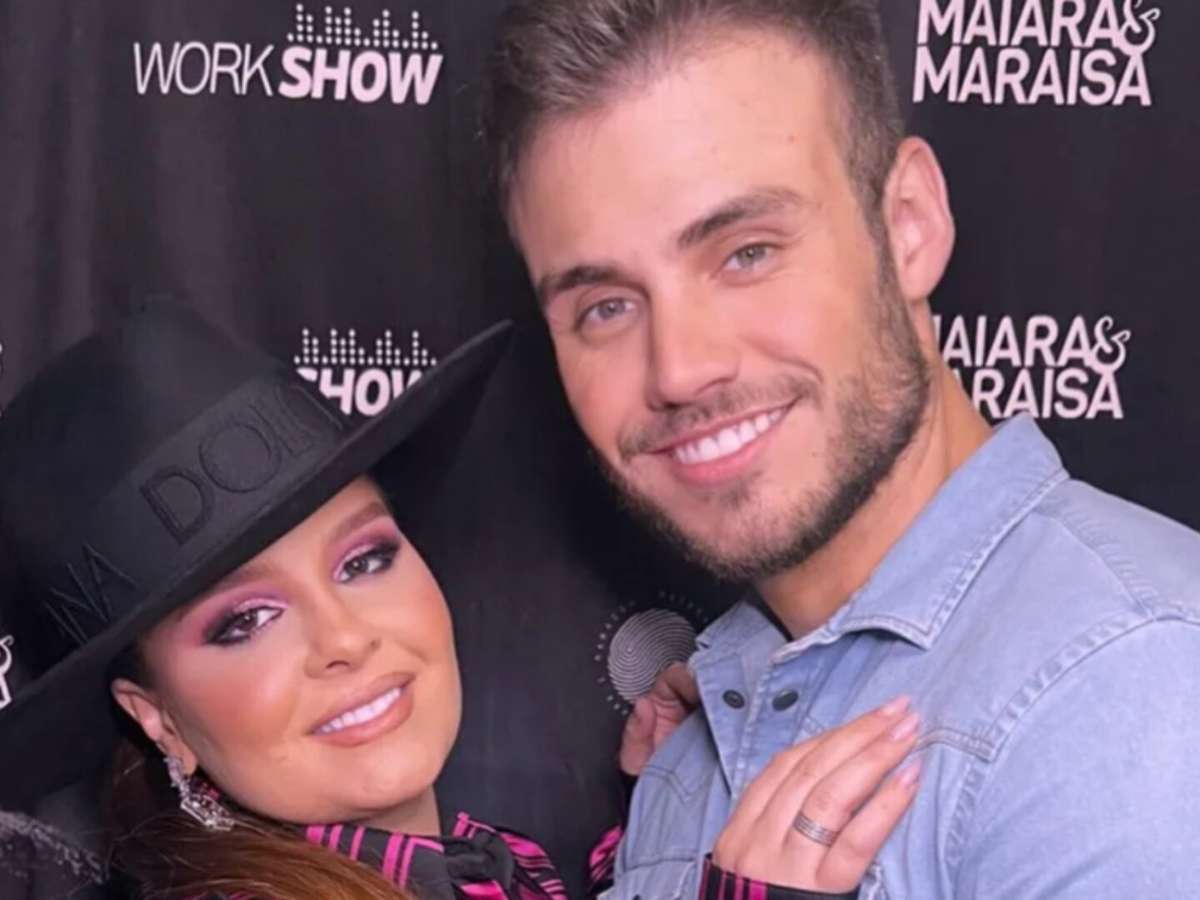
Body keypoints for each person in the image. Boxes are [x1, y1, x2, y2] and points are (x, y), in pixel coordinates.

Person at [482, 0, 1200, 897]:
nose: (680, 369)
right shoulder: (687, 756)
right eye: (607, 307)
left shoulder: (1126, 690)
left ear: (908, 225)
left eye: (746, 253)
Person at [0, 303, 912, 900]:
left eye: (364, 560)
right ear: (157, 719)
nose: (345, 637)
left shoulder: (494, 870)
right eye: (246, 622)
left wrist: (670, 814)